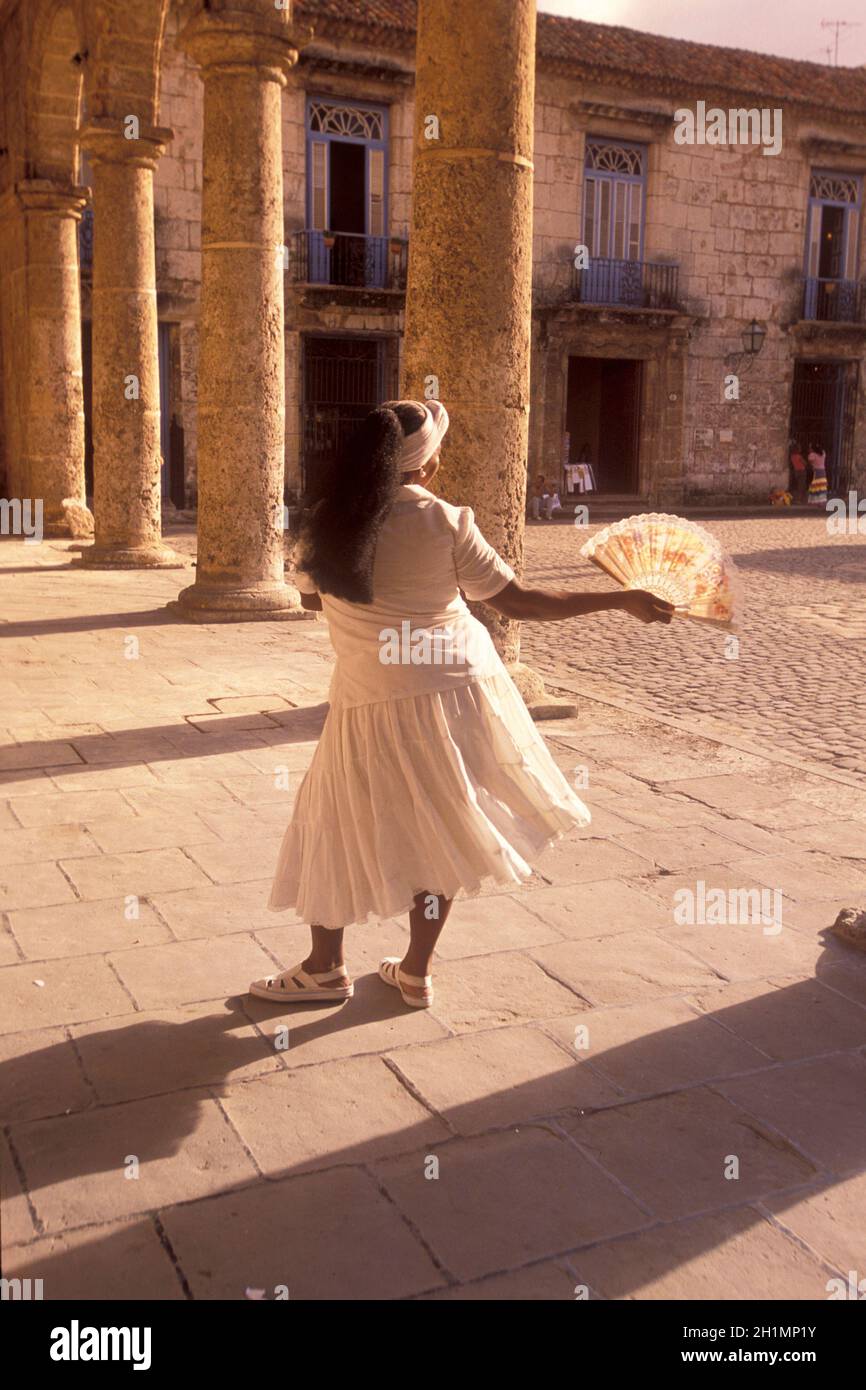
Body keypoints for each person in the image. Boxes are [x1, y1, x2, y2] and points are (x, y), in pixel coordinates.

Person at [250, 399, 673, 1009]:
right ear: (426, 463)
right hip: (454, 695)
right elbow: (522, 602)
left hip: (370, 697)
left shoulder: (325, 522)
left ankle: (324, 968)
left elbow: (315, 601)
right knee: (441, 825)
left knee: (333, 820)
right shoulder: (447, 521)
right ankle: (416, 970)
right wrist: (620, 598)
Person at [788, 439, 808, 505]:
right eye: (799, 448)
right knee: (801, 486)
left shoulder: (792, 456)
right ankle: (799, 500)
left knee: (797, 486)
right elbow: (805, 463)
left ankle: (797, 499)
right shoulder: (799, 456)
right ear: (797, 449)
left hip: (796, 471)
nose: (800, 449)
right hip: (802, 471)